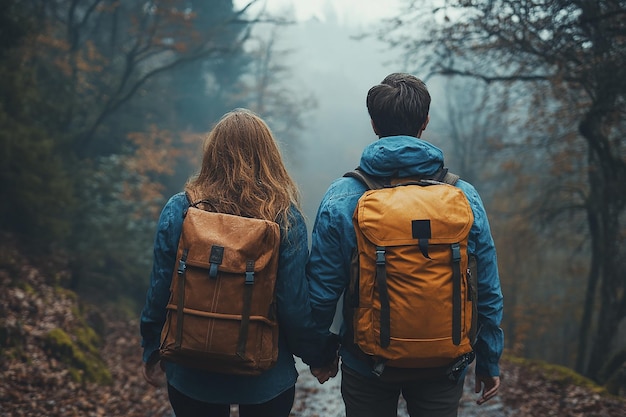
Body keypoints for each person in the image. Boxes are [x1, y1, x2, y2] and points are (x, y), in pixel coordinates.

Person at [307, 73, 504, 417]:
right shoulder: (463, 196)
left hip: (366, 362)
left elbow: (323, 291)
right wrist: (489, 360)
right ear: (424, 122)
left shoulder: (343, 197)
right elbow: (486, 287)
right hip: (444, 363)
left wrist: (321, 355)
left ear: (373, 123)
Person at [140, 108, 338, 417]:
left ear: (212, 154)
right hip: (266, 376)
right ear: (269, 157)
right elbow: (294, 307)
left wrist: (152, 347)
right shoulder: (285, 219)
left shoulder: (180, 209)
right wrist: (318, 355)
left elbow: (160, 288)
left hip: (192, 370)